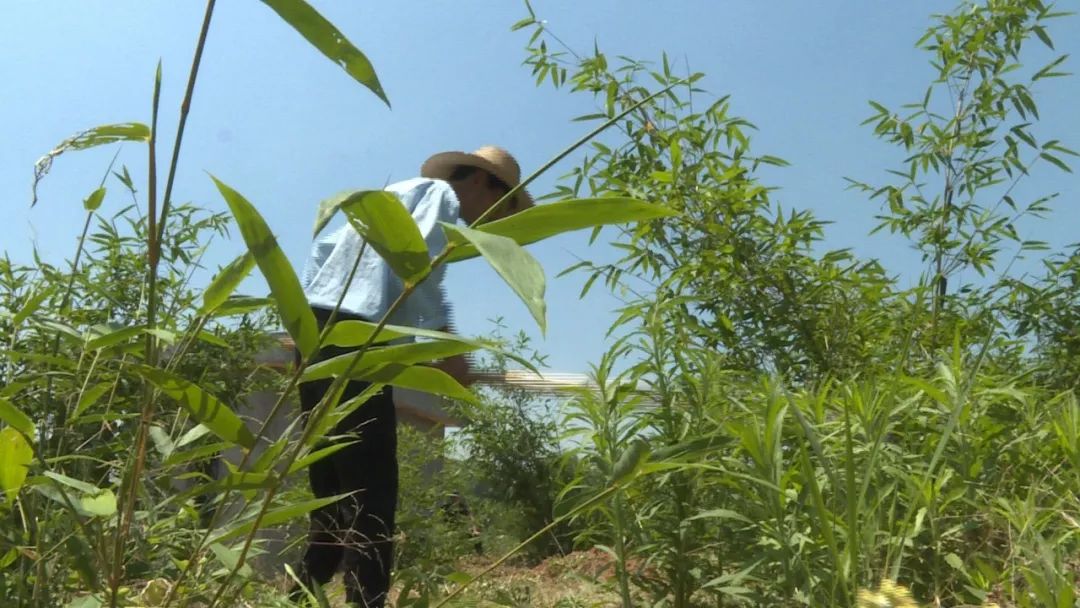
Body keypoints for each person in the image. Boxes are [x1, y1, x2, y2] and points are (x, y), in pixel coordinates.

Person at [290, 146, 533, 607]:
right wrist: (449, 346)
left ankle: (301, 594)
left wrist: (307, 326)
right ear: (482, 182)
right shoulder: (437, 193)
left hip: (320, 332)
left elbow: (323, 250)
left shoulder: (391, 195)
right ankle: (366, 601)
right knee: (372, 489)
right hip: (358, 339)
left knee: (332, 483)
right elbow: (414, 267)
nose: (489, 220)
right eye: (502, 205)